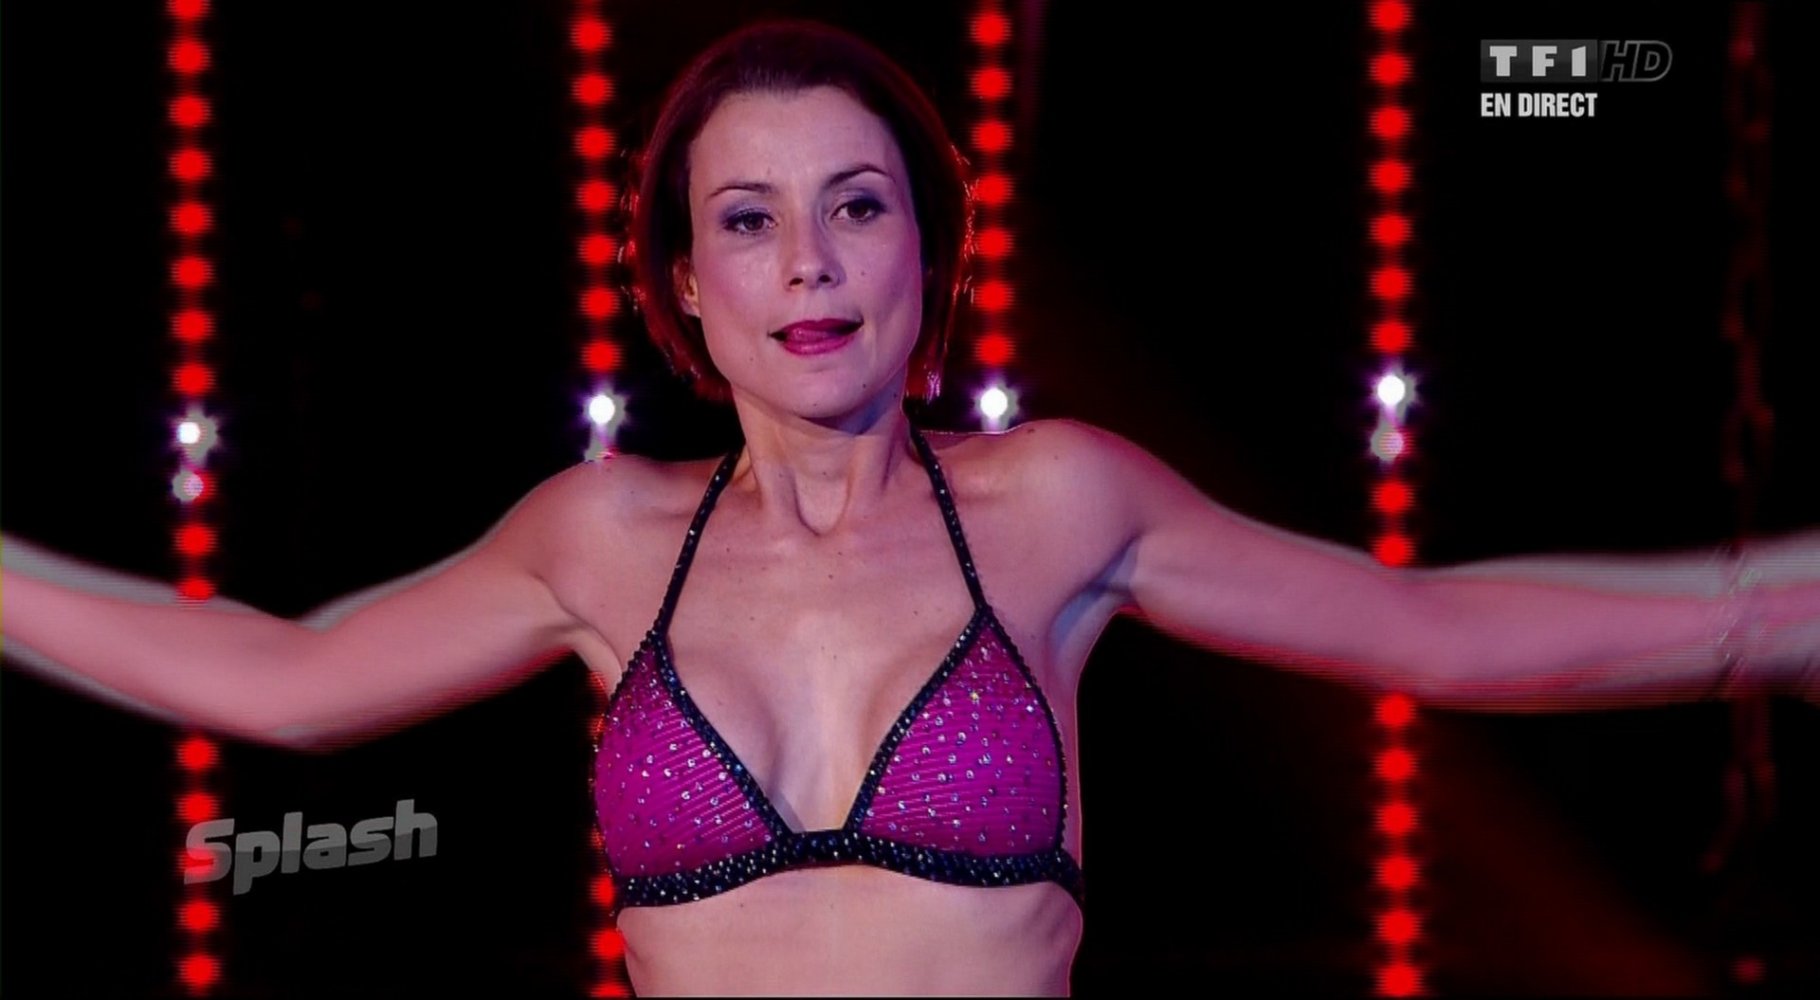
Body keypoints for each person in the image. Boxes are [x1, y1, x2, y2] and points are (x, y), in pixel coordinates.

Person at [4, 17, 1820, 996]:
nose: (809, 262)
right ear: (686, 282)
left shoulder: (1055, 504)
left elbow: (1429, 629)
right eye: (749, 220)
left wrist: (1769, 614)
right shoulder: (601, 540)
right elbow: (279, 679)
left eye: (857, 206)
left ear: (928, 257)